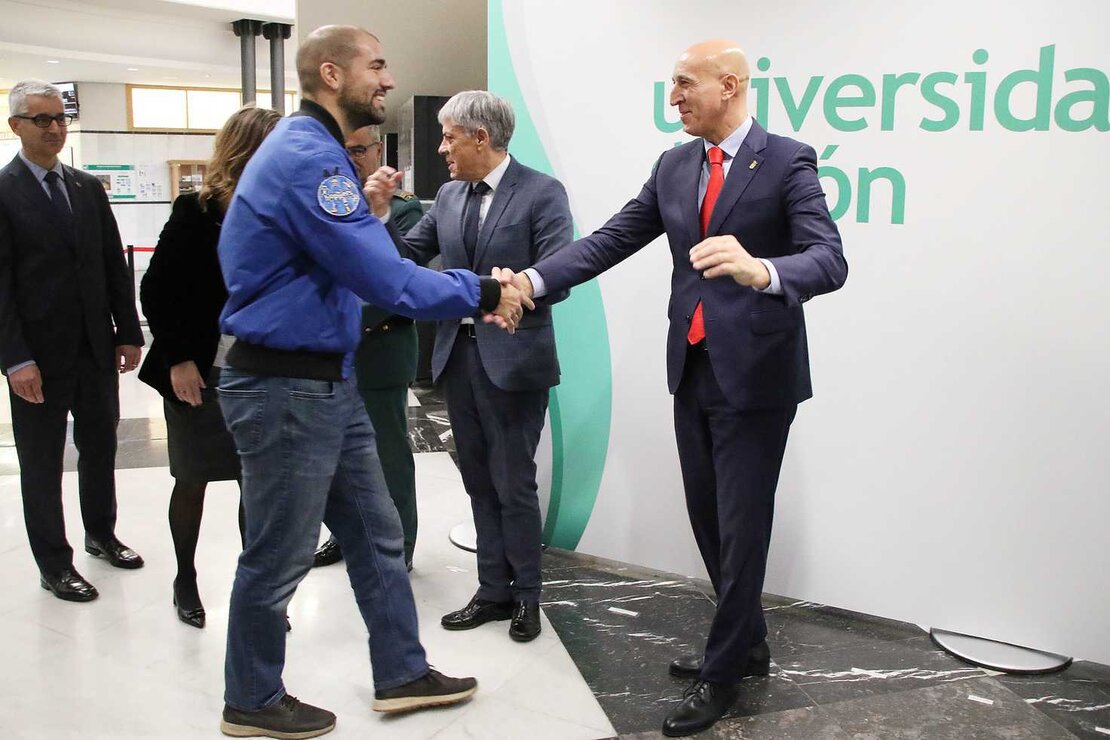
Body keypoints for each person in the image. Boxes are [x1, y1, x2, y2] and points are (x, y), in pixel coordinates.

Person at [502, 40, 848, 736]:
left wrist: (763, 271)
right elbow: (609, 239)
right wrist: (534, 281)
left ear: (731, 85)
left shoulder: (788, 160)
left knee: (744, 526)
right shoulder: (673, 164)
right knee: (709, 518)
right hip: (691, 369)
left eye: (686, 85)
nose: (675, 98)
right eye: (672, 87)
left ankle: (723, 673)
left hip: (757, 378)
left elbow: (829, 258)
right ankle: (746, 643)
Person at [214, 25, 529, 739]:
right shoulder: (308, 158)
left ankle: (401, 672)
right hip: (286, 388)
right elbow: (387, 279)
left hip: (325, 383)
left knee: (378, 533)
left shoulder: (316, 154)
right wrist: (486, 291)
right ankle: (252, 697)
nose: (387, 81)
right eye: (377, 66)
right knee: (277, 554)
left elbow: (353, 261)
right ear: (332, 74)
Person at [387, 90, 572, 642]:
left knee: (513, 482)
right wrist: (375, 219)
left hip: (514, 361)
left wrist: (514, 289)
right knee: (476, 481)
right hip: (455, 358)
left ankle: (527, 599)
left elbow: (558, 271)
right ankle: (492, 590)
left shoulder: (542, 192)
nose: (442, 147)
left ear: (479, 137)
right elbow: (407, 256)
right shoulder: (446, 195)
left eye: (448, 137)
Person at [0, 80, 145, 603]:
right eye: (42, 120)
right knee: (41, 461)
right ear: (16, 126)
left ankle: (101, 533)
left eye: (60, 119)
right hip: (37, 356)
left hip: (94, 349)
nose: (55, 129)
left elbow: (112, 265)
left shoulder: (86, 188)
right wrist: (15, 359)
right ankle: (52, 562)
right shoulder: (4, 191)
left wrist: (127, 331)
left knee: (100, 446)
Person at [139, 105, 282, 628]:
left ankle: (258, 590)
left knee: (256, 482)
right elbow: (155, 289)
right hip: (196, 369)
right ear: (246, 150)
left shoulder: (275, 211)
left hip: (257, 371)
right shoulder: (194, 211)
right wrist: (177, 357)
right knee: (194, 477)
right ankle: (185, 578)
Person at [313, 124, 423, 571]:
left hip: (379, 352)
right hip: (328, 358)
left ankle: (399, 548)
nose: (353, 158)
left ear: (379, 149)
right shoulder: (325, 205)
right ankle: (345, 535)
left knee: (387, 459)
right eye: (345, 150)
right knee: (334, 458)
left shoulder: (402, 210)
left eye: (361, 149)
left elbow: (402, 276)